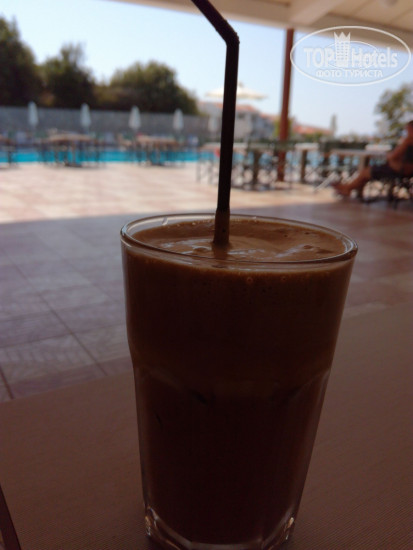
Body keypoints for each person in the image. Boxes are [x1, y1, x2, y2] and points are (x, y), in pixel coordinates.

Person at [332, 120, 413, 197]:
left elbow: (393, 156)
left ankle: (348, 188)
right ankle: (347, 188)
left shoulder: (408, 140)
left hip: (400, 170)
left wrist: (388, 156)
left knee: (365, 172)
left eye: (407, 129)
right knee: (368, 171)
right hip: (407, 171)